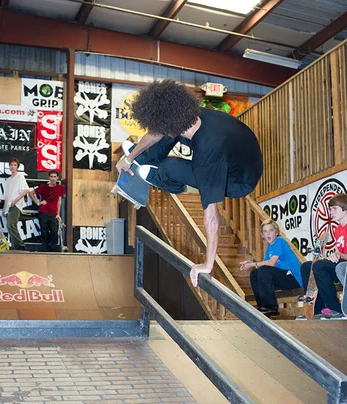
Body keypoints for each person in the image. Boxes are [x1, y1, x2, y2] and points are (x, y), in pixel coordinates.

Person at [116, 79, 263, 287]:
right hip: (243, 153)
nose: (158, 131)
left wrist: (207, 264)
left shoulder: (208, 152)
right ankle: (142, 160)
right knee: (166, 138)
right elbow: (157, 132)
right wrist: (130, 159)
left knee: (170, 166)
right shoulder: (189, 114)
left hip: (239, 180)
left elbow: (212, 216)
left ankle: (164, 178)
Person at [240, 219, 303, 316]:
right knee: (255, 273)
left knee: (264, 270)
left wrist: (252, 265)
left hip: (293, 278)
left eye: (271, 230)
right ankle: (262, 305)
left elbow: (271, 263)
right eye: (265, 231)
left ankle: (270, 306)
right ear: (262, 235)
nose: (268, 234)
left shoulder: (279, 241)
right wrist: (251, 263)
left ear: (276, 232)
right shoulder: (269, 248)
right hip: (282, 277)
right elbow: (264, 264)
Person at [300, 194, 347, 319]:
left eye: (334, 209)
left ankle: (335, 309)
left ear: (345, 208)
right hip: (341, 263)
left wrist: (339, 255)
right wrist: (333, 255)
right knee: (306, 267)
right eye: (330, 209)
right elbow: (338, 251)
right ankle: (317, 310)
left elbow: (342, 254)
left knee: (319, 266)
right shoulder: (337, 229)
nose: (331, 212)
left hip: (344, 266)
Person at [30, 171, 66, 252]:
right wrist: (38, 203)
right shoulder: (43, 187)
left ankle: (53, 250)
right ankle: (45, 250)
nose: (53, 179)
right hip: (43, 211)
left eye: (54, 177)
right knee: (44, 231)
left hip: (53, 213)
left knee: (54, 231)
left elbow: (59, 201)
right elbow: (31, 193)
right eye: (51, 177)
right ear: (49, 177)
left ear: (57, 178)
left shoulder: (60, 188)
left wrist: (58, 214)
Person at [2, 158, 30, 251]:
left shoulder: (20, 176)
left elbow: (26, 190)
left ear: (17, 166)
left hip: (16, 204)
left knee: (11, 224)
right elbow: (6, 196)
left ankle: (20, 245)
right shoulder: (8, 180)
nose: (12, 166)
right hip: (9, 205)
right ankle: (15, 246)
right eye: (11, 165)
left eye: (14, 165)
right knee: (10, 226)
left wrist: (16, 200)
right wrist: (4, 208)